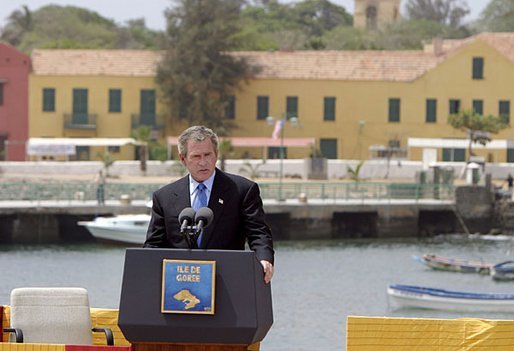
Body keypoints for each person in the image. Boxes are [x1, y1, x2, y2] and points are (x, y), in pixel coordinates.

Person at [144, 125, 274, 283]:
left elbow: (258, 233)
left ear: (216, 155)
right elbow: (153, 245)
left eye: (208, 155)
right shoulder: (164, 197)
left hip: (228, 281)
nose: (203, 162)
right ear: (183, 159)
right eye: (196, 156)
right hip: (179, 284)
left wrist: (264, 259)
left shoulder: (242, 190)